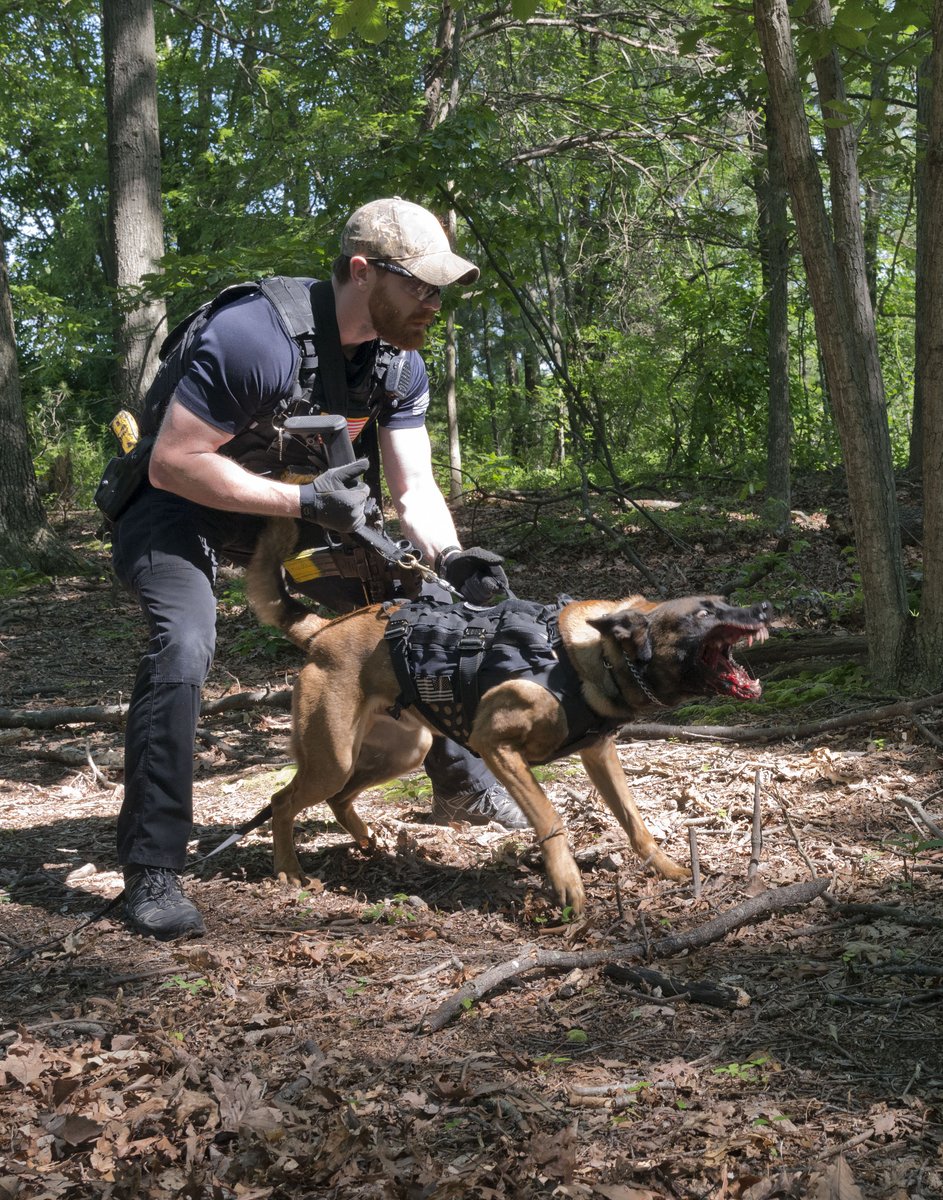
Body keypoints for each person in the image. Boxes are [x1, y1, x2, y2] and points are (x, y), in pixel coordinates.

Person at [112, 197, 528, 941]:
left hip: (291, 512)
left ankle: (463, 784)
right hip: (174, 504)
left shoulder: (400, 363)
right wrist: (304, 496)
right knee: (183, 641)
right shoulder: (253, 338)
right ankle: (151, 868)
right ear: (362, 272)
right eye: (419, 286)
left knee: (421, 612)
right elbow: (176, 463)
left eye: (441, 290)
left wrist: (453, 559)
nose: (433, 304)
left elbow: (415, 489)